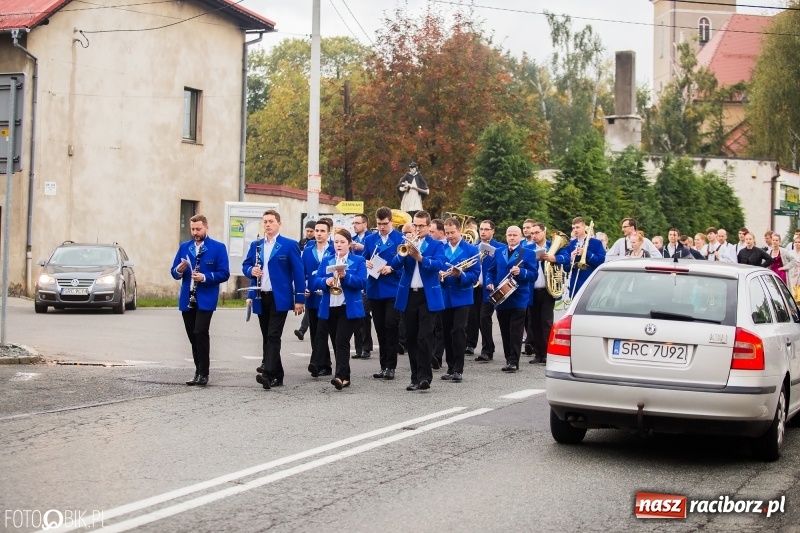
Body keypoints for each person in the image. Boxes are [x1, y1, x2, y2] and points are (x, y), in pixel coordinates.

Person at [244, 210, 306, 390]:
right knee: (267, 336)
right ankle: (278, 375)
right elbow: (246, 265)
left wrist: (299, 299)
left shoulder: (289, 245)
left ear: (279, 223)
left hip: (279, 297)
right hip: (260, 295)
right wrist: (251, 272)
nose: (267, 225)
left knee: (273, 335)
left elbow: (298, 272)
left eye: (271, 221)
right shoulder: (256, 245)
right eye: (265, 222)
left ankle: (268, 374)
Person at [170, 214, 230, 387]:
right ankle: (197, 371)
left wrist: (204, 277)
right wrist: (179, 270)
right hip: (187, 298)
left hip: (205, 298)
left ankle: (204, 373)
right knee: (192, 336)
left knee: (200, 332)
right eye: (193, 229)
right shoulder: (184, 247)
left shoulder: (218, 248)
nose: (195, 232)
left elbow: (224, 273)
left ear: (206, 228)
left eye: (198, 229)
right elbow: (173, 272)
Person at [392, 210, 446, 391]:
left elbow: (439, 265)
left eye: (421, 226)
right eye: (415, 225)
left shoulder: (436, 245)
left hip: (427, 296)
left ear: (429, 226)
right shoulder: (405, 243)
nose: (418, 228)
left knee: (424, 336)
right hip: (409, 295)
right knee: (411, 337)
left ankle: (425, 377)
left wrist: (420, 258)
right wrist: (404, 253)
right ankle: (414, 377)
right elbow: (394, 264)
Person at [312, 229, 367, 390]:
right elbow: (315, 281)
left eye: (342, 242)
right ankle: (345, 376)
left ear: (349, 244)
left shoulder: (358, 261)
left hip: (348, 307)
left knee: (341, 341)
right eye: (336, 242)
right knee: (336, 343)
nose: (339, 245)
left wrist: (346, 277)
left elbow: (363, 283)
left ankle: (339, 376)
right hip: (330, 306)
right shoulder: (327, 260)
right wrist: (326, 281)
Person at [485, 226, 537, 373]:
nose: (512, 237)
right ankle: (509, 359)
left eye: (515, 235)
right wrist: (489, 282)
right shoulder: (499, 252)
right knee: (505, 330)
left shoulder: (528, 253)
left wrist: (522, 272)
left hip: (519, 297)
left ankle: (514, 361)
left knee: (516, 330)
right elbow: (490, 271)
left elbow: (534, 275)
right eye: (509, 235)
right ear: (506, 236)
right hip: (501, 297)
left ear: (520, 237)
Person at [439, 218, 480, 383]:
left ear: (459, 230)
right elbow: (436, 267)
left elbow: (475, 274)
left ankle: (458, 369)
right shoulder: (441, 248)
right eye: (447, 233)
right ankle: (450, 367)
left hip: (462, 296)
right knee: (447, 332)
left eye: (452, 233)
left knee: (458, 330)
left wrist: (461, 275)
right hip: (445, 296)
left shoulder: (471, 249)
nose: (449, 236)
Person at [364, 207, 403, 380]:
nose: (381, 227)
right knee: (380, 328)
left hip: (393, 288)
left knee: (390, 325)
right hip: (375, 288)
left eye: (385, 224)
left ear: (391, 222)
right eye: (379, 224)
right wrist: (366, 263)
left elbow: (406, 264)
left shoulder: (400, 239)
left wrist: (392, 268)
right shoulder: (370, 239)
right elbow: (362, 259)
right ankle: (383, 366)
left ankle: (391, 366)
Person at [302, 219, 334, 378]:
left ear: (329, 233)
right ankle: (325, 365)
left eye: (322, 231)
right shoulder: (308, 250)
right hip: (312, 295)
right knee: (315, 331)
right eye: (317, 231)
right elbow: (303, 272)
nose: (319, 234)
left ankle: (315, 363)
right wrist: (303, 289)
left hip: (328, 295)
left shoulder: (335, 249)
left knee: (322, 329)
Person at [556, 217, 606, 300]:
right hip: (574, 284)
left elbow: (600, 262)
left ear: (584, 227)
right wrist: (571, 258)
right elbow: (566, 268)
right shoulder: (570, 244)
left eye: (577, 227)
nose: (575, 230)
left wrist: (586, 253)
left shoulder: (596, 243)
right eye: (573, 228)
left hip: (590, 282)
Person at [528, 222, 557, 365]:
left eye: (536, 233)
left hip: (547, 290)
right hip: (532, 290)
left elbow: (566, 259)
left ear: (544, 232)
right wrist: (533, 260)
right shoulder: (527, 248)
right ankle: (538, 354)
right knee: (534, 323)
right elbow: (521, 263)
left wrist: (554, 258)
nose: (533, 236)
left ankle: (548, 353)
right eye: (532, 233)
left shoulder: (554, 246)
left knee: (546, 322)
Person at [474, 220, 501, 362]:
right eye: (481, 229)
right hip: (475, 288)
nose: (483, 232)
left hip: (490, 288)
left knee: (485, 318)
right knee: (478, 319)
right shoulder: (474, 247)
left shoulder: (499, 248)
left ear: (493, 231)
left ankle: (487, 350)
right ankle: (488, 346)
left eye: (486, 229)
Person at [350, 213, 374, 360]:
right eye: (353, 223)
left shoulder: (371, 238)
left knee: (365, 314)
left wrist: (363, 247)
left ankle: (366, 347)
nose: (354, 225)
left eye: (357, 223)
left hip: (370, 280)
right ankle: (359, 348)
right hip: (356, 280)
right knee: (357, 315)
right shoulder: (351, 240)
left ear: (365, 224)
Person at [430, 218, 447, 369]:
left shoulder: (441, 246)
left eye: (432, 232)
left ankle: (438, 356)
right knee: (434, 326)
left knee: (441, 327)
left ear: (441, 233)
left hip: (447, 291)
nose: (429, 234)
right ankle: (433, 354)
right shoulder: (431, 245)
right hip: (434, 290)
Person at [788, 236, 800, 302]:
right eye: (796, 242)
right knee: (793, 295)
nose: (797, 243)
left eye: (799, 242)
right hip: (793, 273)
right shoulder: (790, 253)